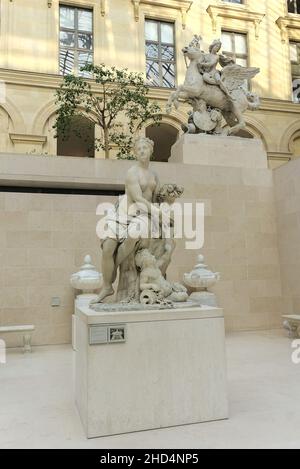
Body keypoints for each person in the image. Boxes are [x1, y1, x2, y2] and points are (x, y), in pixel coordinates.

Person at [91, 137, 160, 304]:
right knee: (108, 247)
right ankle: (107, 285)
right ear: (135, 153)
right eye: (139, 149)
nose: (142, 151)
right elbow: (137, 198)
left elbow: (156, 199)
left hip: (143, 216)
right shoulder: (132, 173)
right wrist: (160, 213)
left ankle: (113, 269)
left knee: (133, 237)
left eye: (145, 148)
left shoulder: (154, 176)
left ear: (151, 150)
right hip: (123, 213)